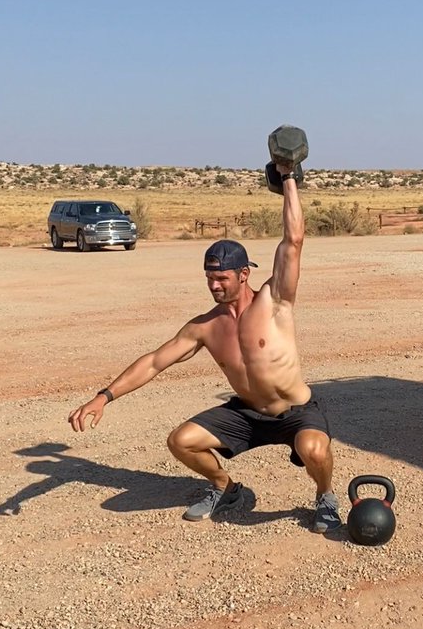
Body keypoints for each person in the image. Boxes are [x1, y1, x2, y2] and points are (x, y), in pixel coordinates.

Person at [67, 161, 340, 533]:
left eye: (222, 278)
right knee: (182, 441)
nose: (214, 286)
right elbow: (154, 362)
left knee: (314, 450)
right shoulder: (205, 326)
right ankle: (225, 487)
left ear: (244, 274)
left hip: (295, 412)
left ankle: (325, 496)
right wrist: (104, 396)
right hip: (247, 415)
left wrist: (289, 177)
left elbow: (293, 241)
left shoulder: (275, 301)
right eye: (209, 279)